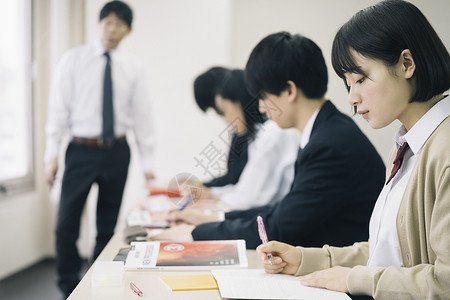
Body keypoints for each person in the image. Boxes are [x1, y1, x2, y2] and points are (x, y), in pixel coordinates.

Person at [256, 1, 450, 299]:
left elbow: (445, 282)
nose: (352, 98)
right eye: (348, 84)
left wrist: (354, 280)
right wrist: (305, 259)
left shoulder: (444, 149)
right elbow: (390, 251)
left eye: (360, 79)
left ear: (407, 64)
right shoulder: (406, 146)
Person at [152, 32, 386, 250]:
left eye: (263, 97)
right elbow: (281, 212)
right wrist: (210, 220)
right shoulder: (326, 131)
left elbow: (277, 228)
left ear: (289, 91)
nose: (261, 107)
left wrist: (195, 233)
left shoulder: (330, 145)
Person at [44, 1, 155, 297]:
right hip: (80, 150)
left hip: (117, 152)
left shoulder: (133, 67)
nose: (112, 29)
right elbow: (57, 112)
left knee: (107, 227)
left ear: (128, 30)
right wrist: (50, 156)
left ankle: (96, 284)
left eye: (119, 24)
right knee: (66, 223)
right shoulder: (73, 60)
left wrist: (149, 166)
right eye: (108, 22)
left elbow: (142, 118)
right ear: (100, 24)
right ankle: (68, 286)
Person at [195, 68, 300, 210]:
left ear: (240, 102)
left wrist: (206, 209)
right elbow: (245, 188)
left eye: (225, 111)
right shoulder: (257, 136)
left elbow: (249, 199)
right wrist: (211, 193)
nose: (226, 120)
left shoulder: (272, 133)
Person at [193, 66, 249, 188]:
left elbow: (238, 180)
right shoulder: (241, 133)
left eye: (223, 110)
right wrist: (202, 185)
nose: (226, 119)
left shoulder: (267, 134)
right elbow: (233, 176)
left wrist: (206, 188)